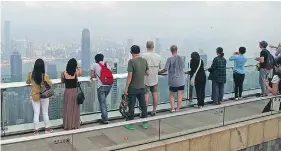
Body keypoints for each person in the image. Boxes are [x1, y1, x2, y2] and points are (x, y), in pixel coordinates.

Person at [124, 45, 149, 130]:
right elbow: (148, 73)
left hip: (133, 88)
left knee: (131, 106)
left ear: (132, 53)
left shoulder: (131, 61)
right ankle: (145, 123)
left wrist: (126, 88)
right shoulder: (144, 60)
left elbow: (129, 76)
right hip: (142, 87)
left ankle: (131, 124)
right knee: (143, 105)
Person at [26, 59, 53, 135]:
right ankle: (47, 129)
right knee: (45, 113)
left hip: (35, 96)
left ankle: (36, 131)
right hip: (44, 95)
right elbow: (50, 84)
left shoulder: (31, 74)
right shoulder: (45, 76)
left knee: (36, 113)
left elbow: (27, 82)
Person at [159, 45, 185, 112]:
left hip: (173, 80)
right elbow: (183, 68)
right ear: (177, 50)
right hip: (181, 80)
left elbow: (165, 69)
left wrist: (158, 72)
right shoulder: (181, 58)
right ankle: (178, 109)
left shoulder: (169, 59)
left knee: (171, 95)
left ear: (171, 51)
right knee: (180, 95)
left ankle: (173, 108)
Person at [61, 58, 82, 130]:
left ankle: (67, 125)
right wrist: (78, 66)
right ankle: (75, 124)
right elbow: (80, 72)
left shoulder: (64, 73)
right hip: (75, 92)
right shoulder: (75, 73)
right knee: (75, 108)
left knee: (67, 108)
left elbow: (62, 81)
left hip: (67, 92)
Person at [90, 54, 112, 124]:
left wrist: (96, 75)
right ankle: (105, 116)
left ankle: (105, 119)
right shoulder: (107, 64)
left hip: (101, 86)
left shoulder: (95, 65)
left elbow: (92, 75)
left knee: (102, 103)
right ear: (102, 59)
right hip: (109, 85)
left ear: (95, 59)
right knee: (104, 102)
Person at [142, 41, 161, 116]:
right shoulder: (158, 56)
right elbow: (160, 68)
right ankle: (154, 110)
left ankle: (144, 112)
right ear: (153, 47)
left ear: (146, 46)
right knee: (155, 95)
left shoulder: (144, 56)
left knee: (146, 95)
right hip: (155, 78)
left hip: (146, 78)